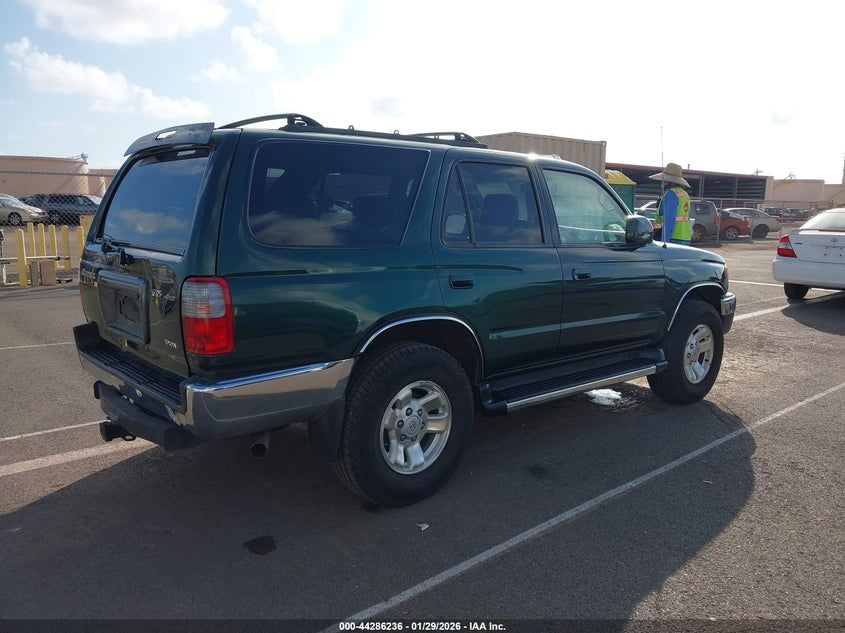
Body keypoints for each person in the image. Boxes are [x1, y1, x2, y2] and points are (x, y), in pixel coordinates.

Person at [649, 162, 691, 245]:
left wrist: (664, 242)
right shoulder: (684, 194)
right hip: (684, 237)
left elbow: (669, 220)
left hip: (673, 238)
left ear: (668, 181)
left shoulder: (671, 194)